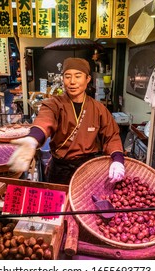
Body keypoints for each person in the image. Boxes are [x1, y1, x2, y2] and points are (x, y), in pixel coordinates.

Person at [8, 57, 125, 185]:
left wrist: (118, 160)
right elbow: (45, 120)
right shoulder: (54, 104)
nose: (72, 81)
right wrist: (32, 139)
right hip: (59, 169)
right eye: (67, 76)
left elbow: (112, 136)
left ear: (88, 79)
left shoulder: (98, 108)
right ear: (63, 79)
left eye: (78, 76)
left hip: (87, 169)